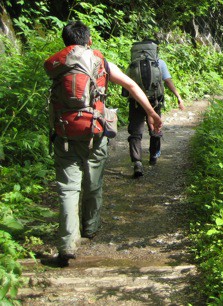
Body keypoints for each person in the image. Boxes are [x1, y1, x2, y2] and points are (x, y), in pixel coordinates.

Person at [46, 21, 163, 267]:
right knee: (93, 181)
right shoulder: (100, 62)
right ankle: (90, 227)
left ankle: (67, 243)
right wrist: (152, 113)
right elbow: (131, 85)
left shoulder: (57, 63)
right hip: (94, 131)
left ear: (65, 42)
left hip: (65, 132)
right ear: (88, 40)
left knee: (68, 188)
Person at [127, 39, 184, 178]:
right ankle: (153, 156)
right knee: (155, 127)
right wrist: (178, 96)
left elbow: (127, 84)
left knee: (135, 133)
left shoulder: (133, 64)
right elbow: (167, 80)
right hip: (154, 100)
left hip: (136, 102)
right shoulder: (159, 63)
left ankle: (137, 162)